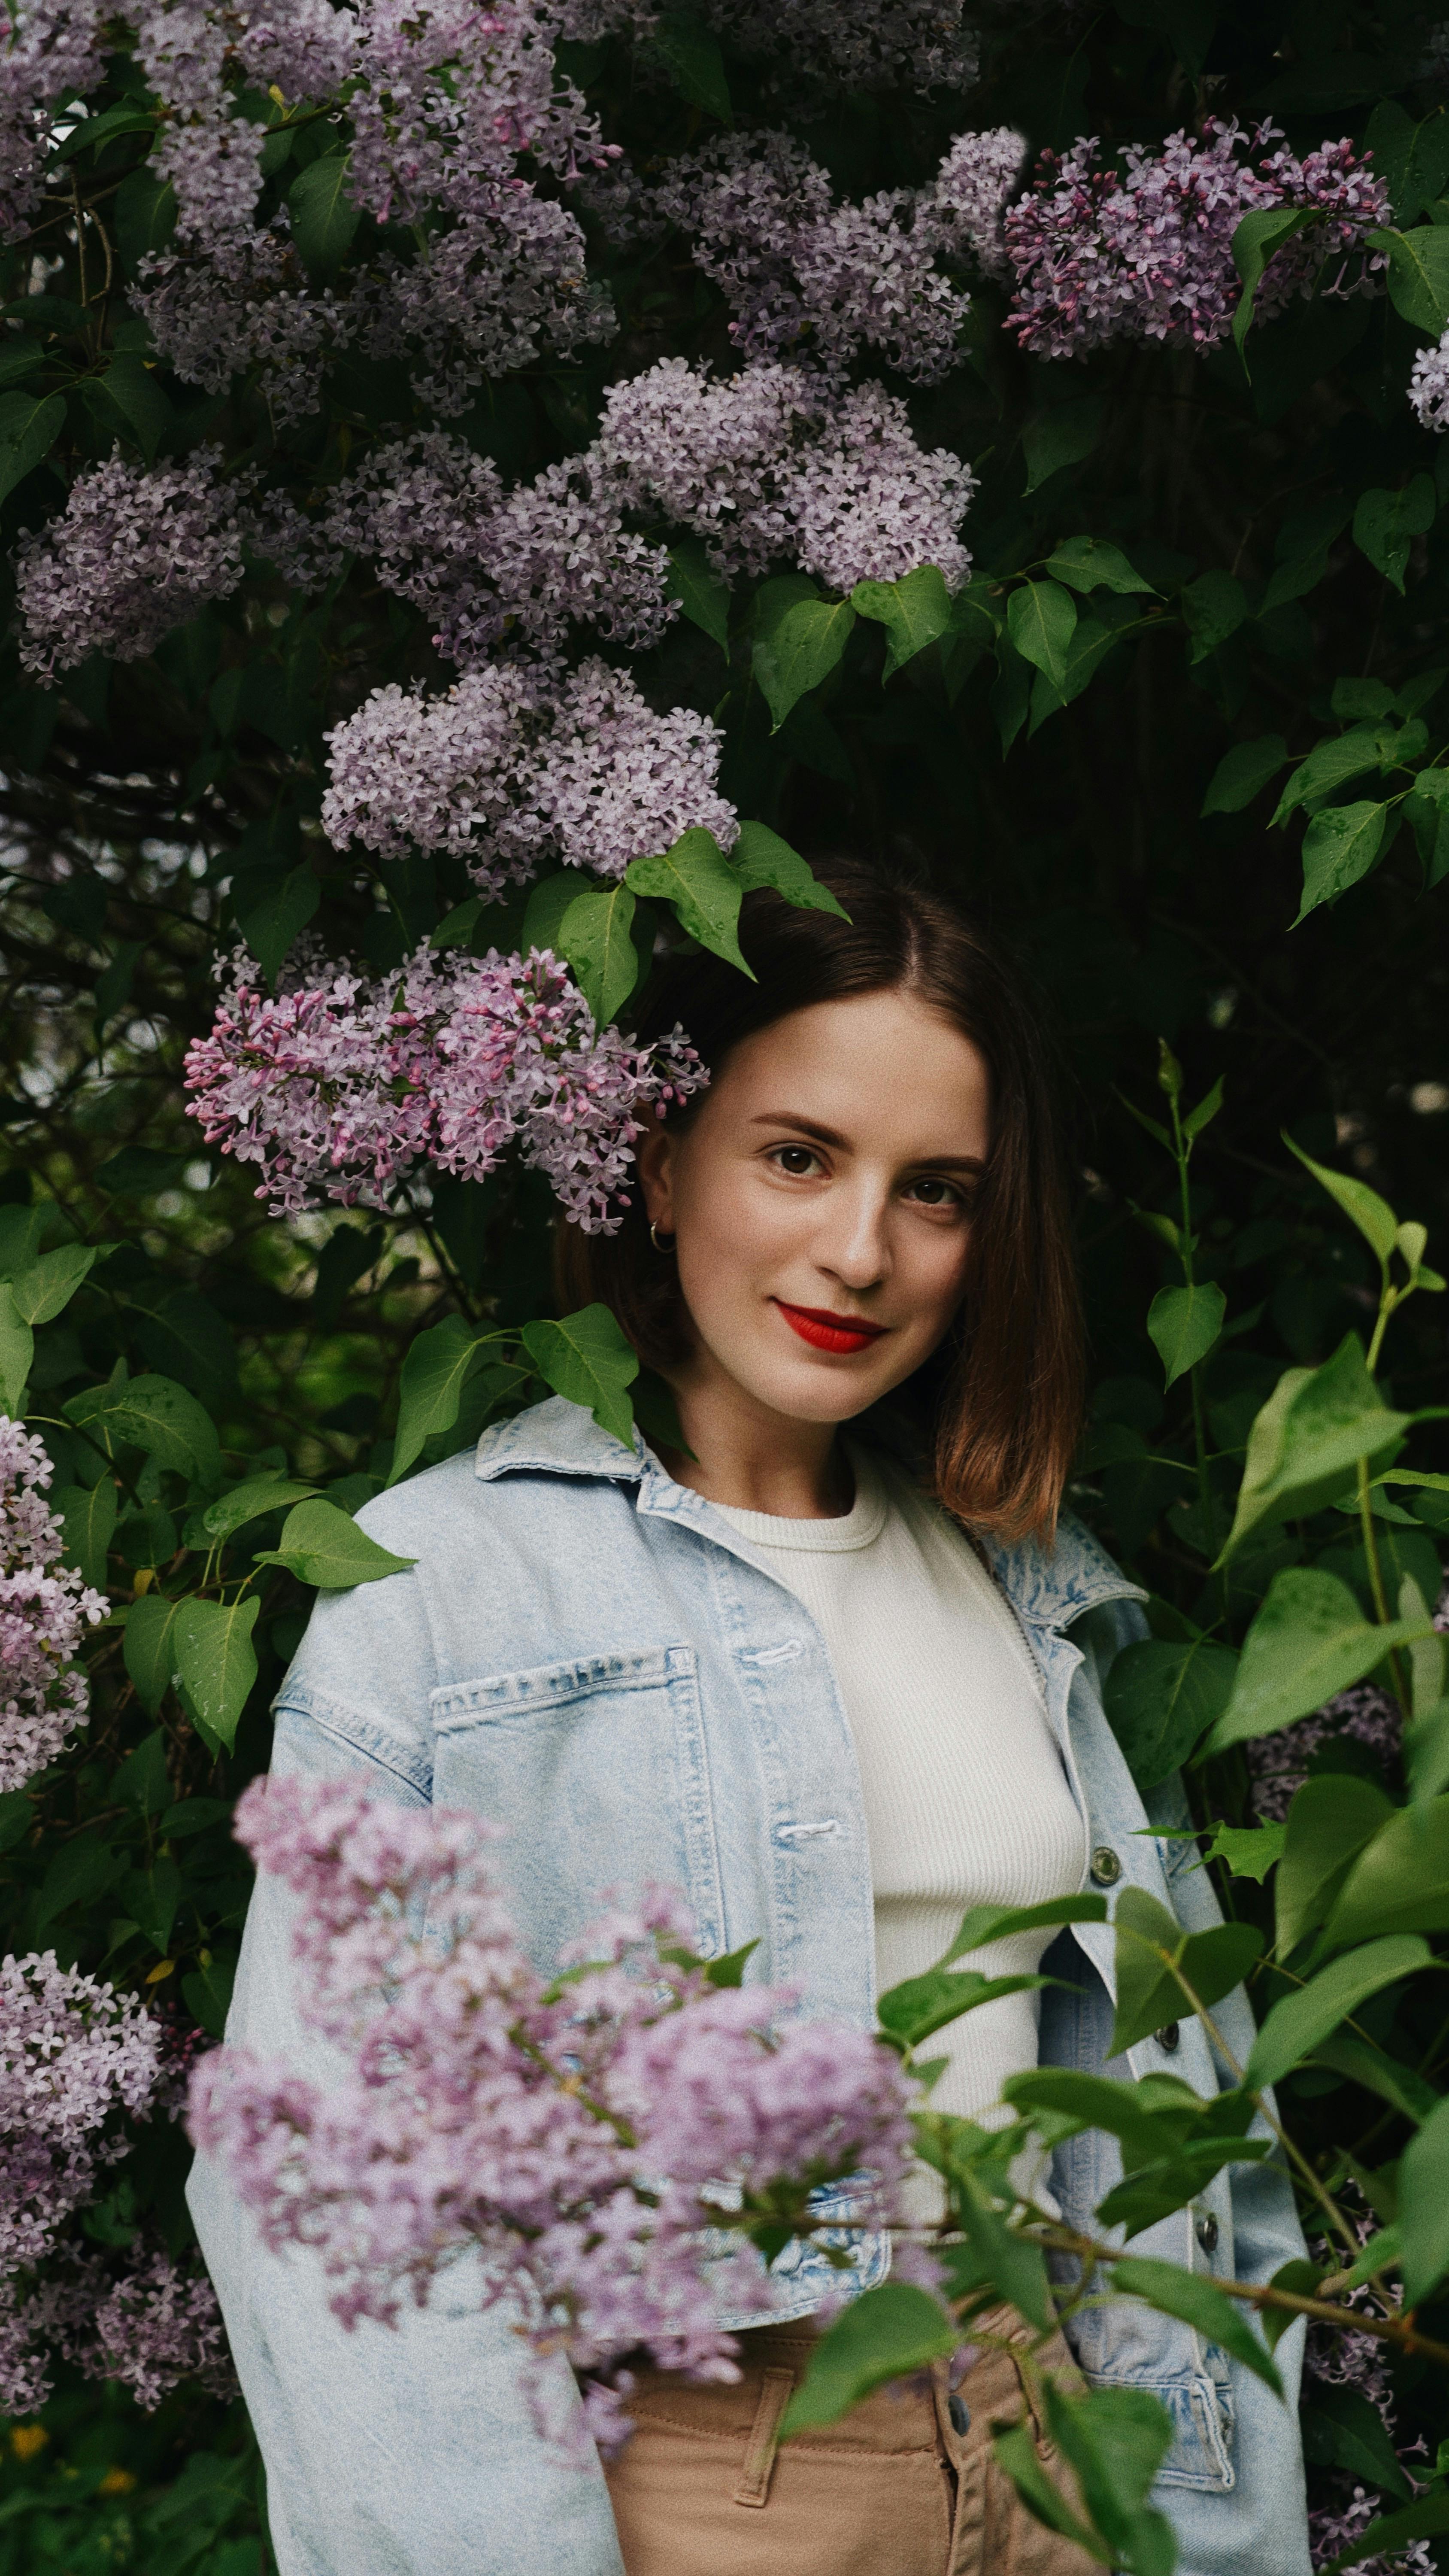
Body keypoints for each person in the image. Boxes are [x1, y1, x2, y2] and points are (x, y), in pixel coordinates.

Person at [188, 860, 1313, 2576]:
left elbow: (1197, 2120)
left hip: (1060, 2442)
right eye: (797, 1156)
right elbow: (336, 2203)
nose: (860, 1252)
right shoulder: (443, 1592)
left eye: (934, 1192)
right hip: (702, 2482)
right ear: (657, 1162)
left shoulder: (1038, 1588)